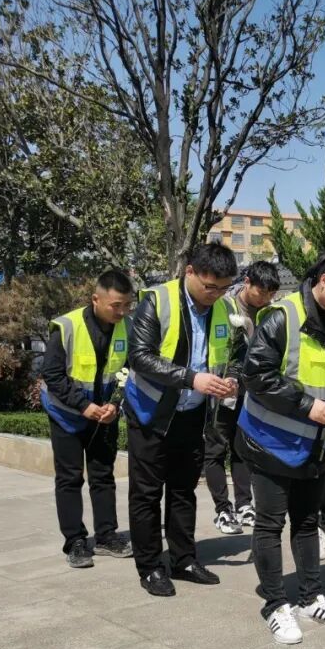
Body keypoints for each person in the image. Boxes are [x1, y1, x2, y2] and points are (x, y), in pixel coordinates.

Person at [235, 250, 325, 644]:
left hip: (315, 444)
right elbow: (256, 375)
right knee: (270, 523)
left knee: (308, 522)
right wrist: (307, 405)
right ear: (324, 281)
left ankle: (311, 597)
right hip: (270, 440)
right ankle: (275, 604)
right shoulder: (282, 317)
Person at [124, 244, 239, 596]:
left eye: (224, 288)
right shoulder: (156, 301)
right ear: (190, 272)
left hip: (193, 413)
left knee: (183, 490)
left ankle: (184, 559)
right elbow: (139, 356)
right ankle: (149, 567)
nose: (216, 295)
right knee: (146, 494)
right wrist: (192, 379)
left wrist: (232, 377)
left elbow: (236, 354)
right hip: (152, 414)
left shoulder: (225, 308)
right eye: (210, 286)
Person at [40, 270, 135, 568]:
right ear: (96, 299)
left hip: (104, 415)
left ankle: (106, 536)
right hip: (66, 414)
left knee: (103, 475)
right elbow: (52, 375)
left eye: (127, 305)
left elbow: (129, 371)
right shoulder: (67, 326)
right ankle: (75, 542)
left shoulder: (128, 327)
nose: (122, 312)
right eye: (116, 305)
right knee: (69, 478)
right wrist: (84, 406)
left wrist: (115, 404)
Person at [204, 260, 281, 536]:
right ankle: (223, 510)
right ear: (247, 282)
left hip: (253, 393)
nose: (265, 298)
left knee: (242, 448)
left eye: (270, 293)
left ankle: (244, 504)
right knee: (216, 448)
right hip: (222, 388)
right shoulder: (224, 307)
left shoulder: (272, 312)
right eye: (261, 292)